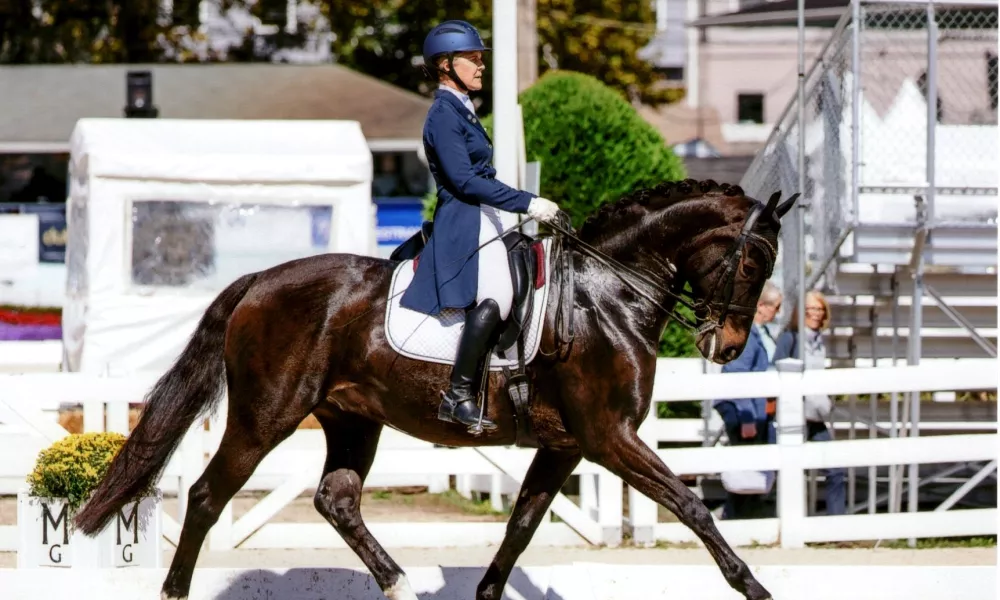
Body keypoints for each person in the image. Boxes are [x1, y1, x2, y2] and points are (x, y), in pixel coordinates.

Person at [399, 20, 561, 429]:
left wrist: (522, 205)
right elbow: (467, 181)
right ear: (444, 65)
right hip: (464, 218)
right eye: (472, 58)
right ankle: (457, 394)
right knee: (497, 297)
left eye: (479, 58)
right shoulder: (443, 114)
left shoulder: (462, 110)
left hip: (487, 215)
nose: (480, 65)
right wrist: (529, 202)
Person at [773, 289, 846, 516]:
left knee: (835, 469)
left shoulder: (819, 342)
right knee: (789, 470)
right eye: (811, 308)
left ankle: (836, 524)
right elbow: (775, 370)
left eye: (819, 308)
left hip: (815, 416)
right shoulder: (790, 338)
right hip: (795, 416)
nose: (816, 313)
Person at [712, 284, 777, 519]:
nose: (776, 314)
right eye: (775, 308)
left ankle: (741, 516)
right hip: (743, 409)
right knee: (744, 463)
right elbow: (739, 377)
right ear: (762, 306)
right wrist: (748, 416)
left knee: (750, 464)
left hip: (753, 408)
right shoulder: (749, 336)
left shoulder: (761, 333)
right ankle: (735, 516)